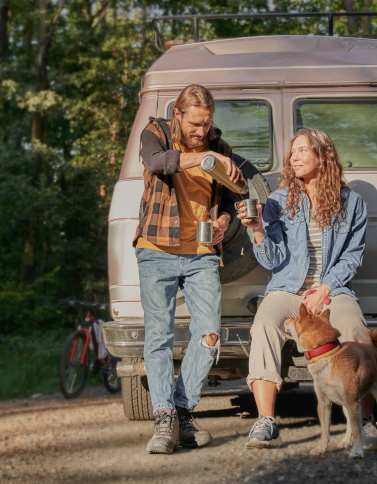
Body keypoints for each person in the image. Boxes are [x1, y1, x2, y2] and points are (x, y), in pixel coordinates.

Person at [237, 127, 377, 450]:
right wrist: (258, 230)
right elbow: (273, 258)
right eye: (293, 152)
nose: (294, 157)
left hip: (333, 288)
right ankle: (266, 421)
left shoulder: (352, 203)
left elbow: (352, 256)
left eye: (303, 150)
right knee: (263, 323)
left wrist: (326, 287)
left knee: (354, 327)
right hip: (289, 288)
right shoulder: (278, 201)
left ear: (323, 155)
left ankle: (366, 422)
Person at [133, 84, 242, 454]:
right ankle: (164, 417)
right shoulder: (157, 133)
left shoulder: (220, 147)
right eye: (196, 124)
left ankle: (180, 409)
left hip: (202, 251)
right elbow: (157, 163)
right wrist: (204, 157)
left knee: (210, 332)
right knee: (159, 336)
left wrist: (225, 218)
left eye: (207, 123)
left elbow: (228, 196)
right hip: (156, 247)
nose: (202, 131)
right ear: (178, 114)